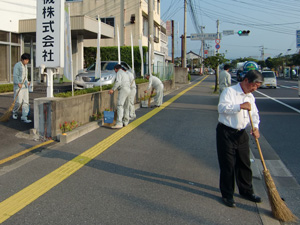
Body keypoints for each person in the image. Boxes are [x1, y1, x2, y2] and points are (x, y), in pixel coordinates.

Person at [216, 70, 264, 208]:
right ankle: (227, 195)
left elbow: (254, 115)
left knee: (244, 164)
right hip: (226, 132)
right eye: (254, 85)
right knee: (228, 165)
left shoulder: (250, 97)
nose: (254, 89)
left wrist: (255, 127)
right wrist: (240, 106)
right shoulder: (230, 92)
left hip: (241, 133)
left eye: (257, 87)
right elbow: (221, 108)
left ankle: (246, 191)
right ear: (246, 80)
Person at [108, 64, 131, 129]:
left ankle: (119, 123)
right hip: (129, 89)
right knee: (126, 106)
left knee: (120, 106)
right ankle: (125, 122)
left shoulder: (118, 73)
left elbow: (118, 82)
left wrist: (112, 89)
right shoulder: (125, 73)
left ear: (115, 69)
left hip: (123, 89)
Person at [12, 53, 32, 123]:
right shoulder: (17, 65)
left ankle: (24, 116)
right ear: (22, 59)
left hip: (25, 86)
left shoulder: (25, 66)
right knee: (19, 101)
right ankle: (14, 112)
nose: (27, 61)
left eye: (28, 60)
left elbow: (25, 77)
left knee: (26, 102)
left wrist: (27, 82)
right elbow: (15, 75)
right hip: (18, 86)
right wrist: (18, 83)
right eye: (26, 60)